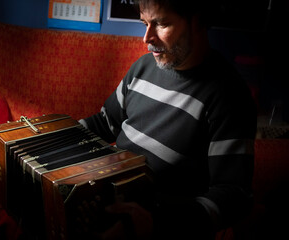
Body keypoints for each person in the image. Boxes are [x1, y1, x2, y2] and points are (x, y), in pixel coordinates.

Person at [79, 0, 257, 239]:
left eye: (161, 23)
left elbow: (234, 195)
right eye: (144, 23)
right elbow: (104, 123)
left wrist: (154, 222)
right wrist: (51, 137)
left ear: (198, 21)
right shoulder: (141, 68)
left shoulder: (229, 96)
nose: (147, 38)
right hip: (110, 207)